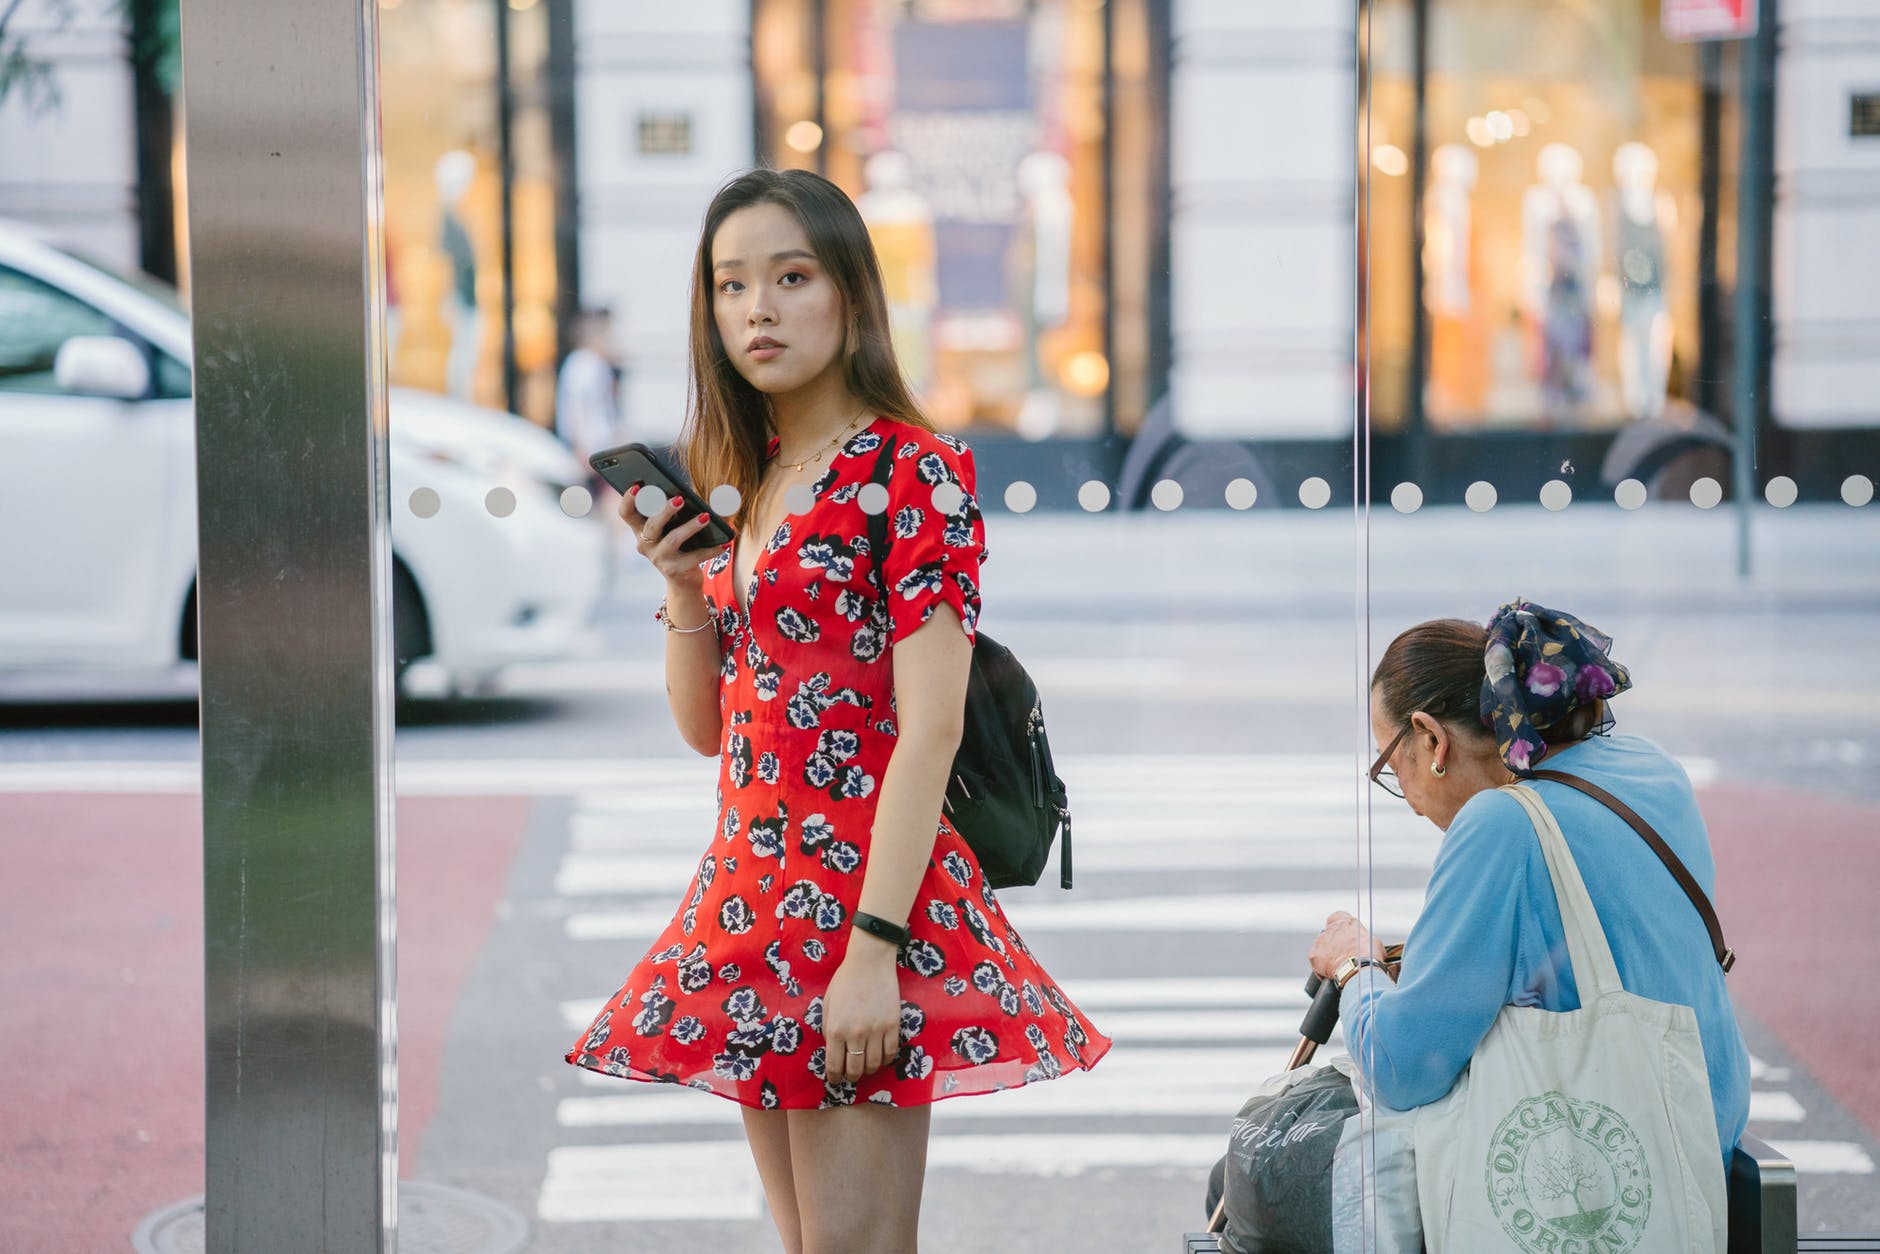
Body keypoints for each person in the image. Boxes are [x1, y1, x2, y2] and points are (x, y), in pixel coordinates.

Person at [565, 168, 1111, 1254]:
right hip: (753, 901)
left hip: (866, 905)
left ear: (852, 297)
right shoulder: (750, 475)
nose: (755, 309)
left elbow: (932, 727)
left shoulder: (913, 473)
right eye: (729, 286)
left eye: (789, 276)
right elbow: (710, 729)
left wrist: (872, 949)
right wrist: (682, 589)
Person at [1309, 601, 1750, 1172]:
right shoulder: (1653, 768)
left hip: (1620, 1170)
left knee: (1270, 1181)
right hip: (1710, 1135)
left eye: (1392, 768)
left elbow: (1401, 1068)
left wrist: (1354, 968)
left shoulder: (1501, 824)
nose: (1410, 802)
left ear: (1431, 740)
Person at [555, 305, 625, 477]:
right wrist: (580, 449)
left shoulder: (594, 363)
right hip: (591, 451)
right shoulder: (583, 364)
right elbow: (575, 409)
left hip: (600, 449)